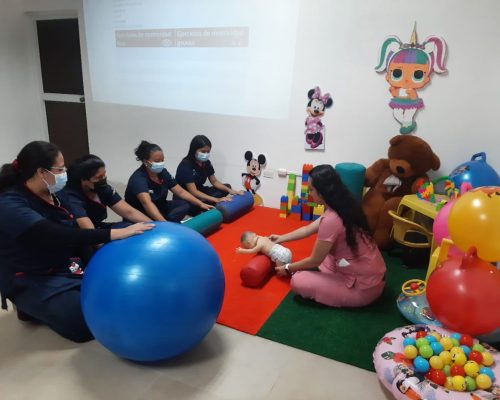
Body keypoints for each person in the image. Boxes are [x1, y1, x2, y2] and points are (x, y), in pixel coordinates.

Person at [0, 141, 153, 342]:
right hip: (30, 276)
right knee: (86, 322)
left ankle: (53, 300)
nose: (64, 173)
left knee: (113, 295)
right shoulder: (10, 203)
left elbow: (75, 230)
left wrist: (95, 266)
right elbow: (57, 235)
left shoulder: (54, 193)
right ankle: (28, 306)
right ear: (41, 172)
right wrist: (113, 234)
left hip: (62, 264)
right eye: (60, 169)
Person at [270, 164, 386, 308]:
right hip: (371, 272)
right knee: (326, 257)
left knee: (298, 280)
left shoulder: (331, 219)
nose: (309, 193)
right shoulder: (342, 205)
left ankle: (342, 286)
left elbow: (314, 261)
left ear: (322, 192)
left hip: (365, 288)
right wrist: (280, 238)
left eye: (311, 189)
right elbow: (307, 229)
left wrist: (288, 268)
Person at [125, 140, 213, 222]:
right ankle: (164, 223)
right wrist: (165, 225)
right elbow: (147, 204)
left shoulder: (162, 172)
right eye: (157, 161)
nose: (160, 163)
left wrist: (200, 204)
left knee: (184, 205)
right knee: (156, 220)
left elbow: (180, 192)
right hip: (144, 213)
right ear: (146, 161)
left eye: (162, 160)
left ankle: (166, 222)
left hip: (160, 207)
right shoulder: (138, 179)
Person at [63, 154, 152, 229]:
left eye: (104, 175)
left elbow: (129, 212)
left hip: (97, 226)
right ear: (83, 180)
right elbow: (89, 230)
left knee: (131, 226)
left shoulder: (104, 189)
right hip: (80, 233)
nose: (103, 179)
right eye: (98, 177)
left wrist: (155, 226)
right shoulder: (72, 196)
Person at [175, 135, 245, 209]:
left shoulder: (206, 163)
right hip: (188, 196)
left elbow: (214, 181)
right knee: (186, 206)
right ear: (194, 150)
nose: (206, 154)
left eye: (208, 152)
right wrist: (216, 199)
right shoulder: (186, 165)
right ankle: (203, 204)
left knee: (227, 187)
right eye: (203, 151)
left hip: (200, 191)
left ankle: (205, 202)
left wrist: (231, 191)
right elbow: (193, 191)